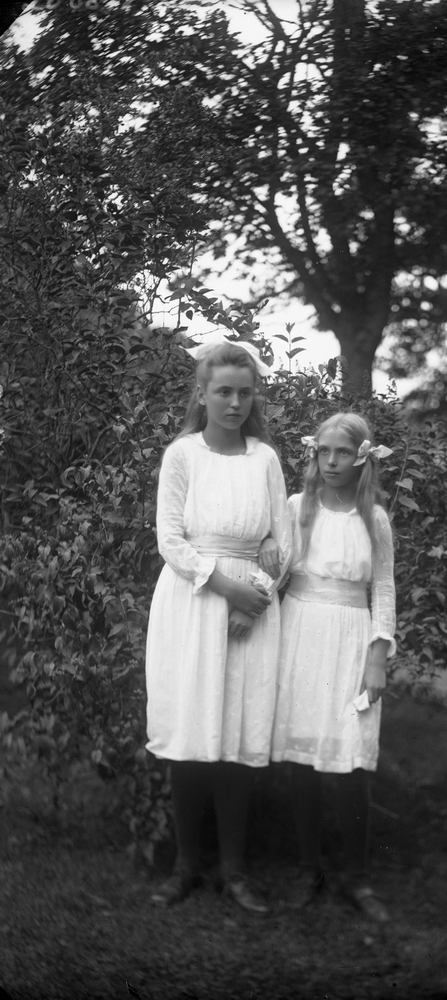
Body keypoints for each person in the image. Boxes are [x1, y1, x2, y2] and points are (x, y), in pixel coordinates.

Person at [145, 336, 292, 913]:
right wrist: (225, 588)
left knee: (236, 736)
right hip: (194, 600)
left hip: (250, 608)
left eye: (244, 393)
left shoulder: (265, 459)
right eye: (224, 392)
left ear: (254, 398)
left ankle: (234, 871)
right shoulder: (182, 455)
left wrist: (255, 597)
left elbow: (284, 540)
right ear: (202, 394)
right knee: (192, 737)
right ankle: (186, 867)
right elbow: (170, 539)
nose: (234, 403)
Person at [271, 413, 396, 923]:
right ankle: (310, 870)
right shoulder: (297, 507)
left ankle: (357, 878)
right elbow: (274, 568)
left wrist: (378, 656)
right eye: (323, 451)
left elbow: (382, 586)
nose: (331, 462)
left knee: (353, 760)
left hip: (351, 638)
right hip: (300, 632)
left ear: (362, 458)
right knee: (302, 759)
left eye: (343, 452)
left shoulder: (374, 518)